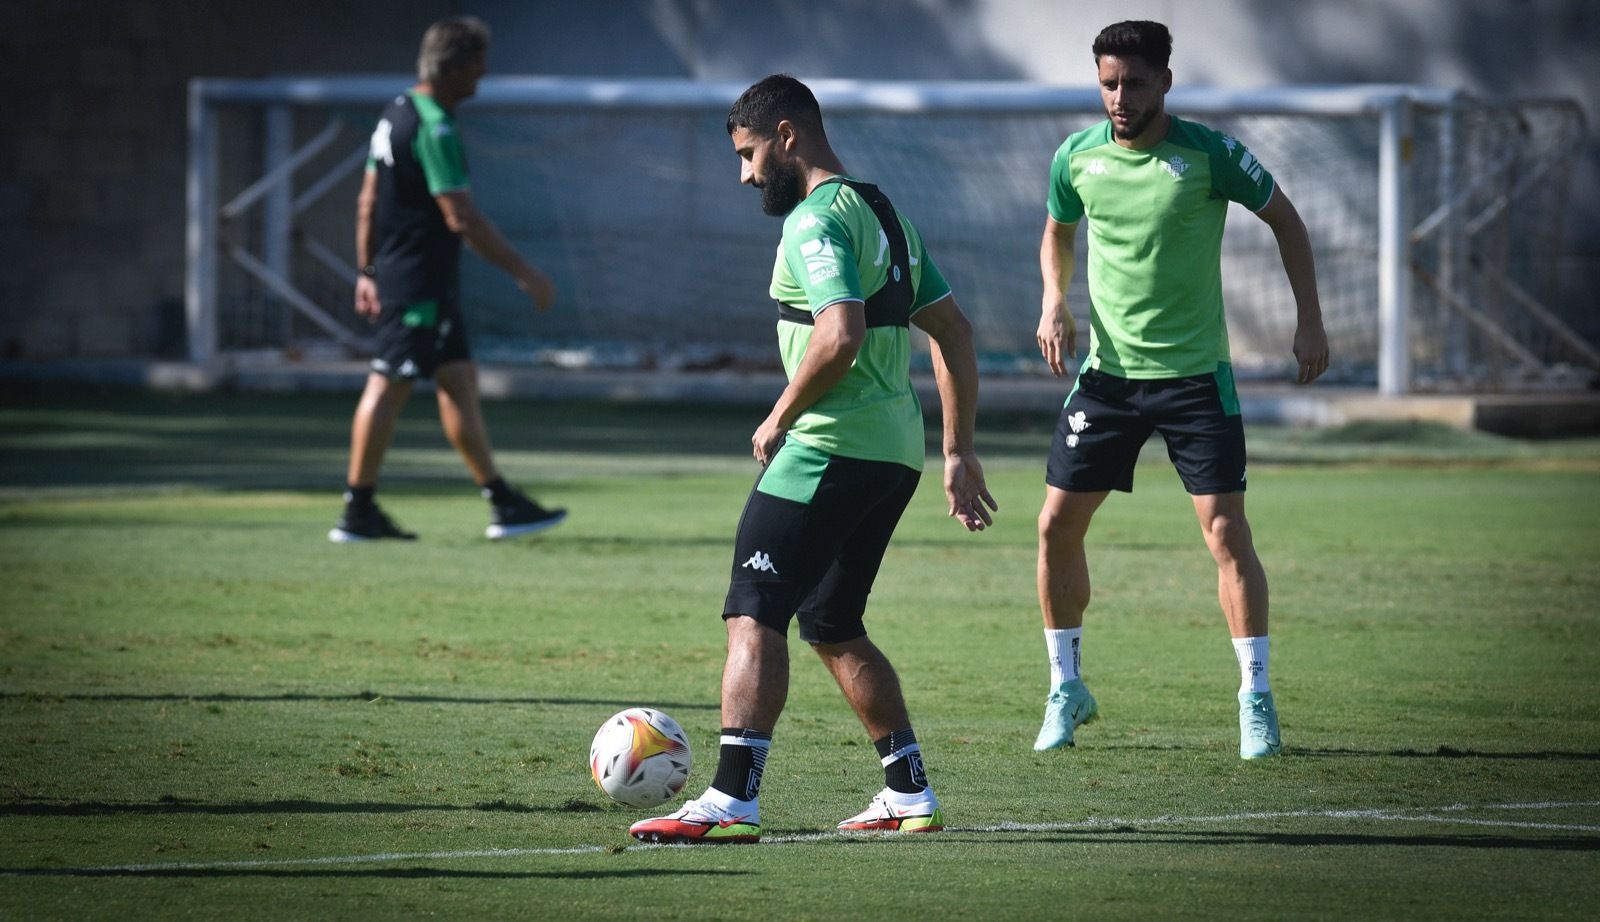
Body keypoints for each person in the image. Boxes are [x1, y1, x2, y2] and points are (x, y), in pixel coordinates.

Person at [629, 75, 998, 844]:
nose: (745, 175)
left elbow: (840, 334)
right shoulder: (883, 213)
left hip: (827, 449)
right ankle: (907, 791)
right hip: (894, 455)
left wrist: (778, 415)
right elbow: (956, 333)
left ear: (788, 136)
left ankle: (732, 799)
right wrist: (958, 451)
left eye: (750, 154)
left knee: (751, 611)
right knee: (831, 621)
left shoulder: (811, 223)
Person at [1031, 21, 1329, 759]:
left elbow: (1286, 221)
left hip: (1196, 380)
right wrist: (1053, 300)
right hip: (1107, 379)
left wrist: (1310, 322)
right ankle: (1066, 686)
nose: (1119, 98)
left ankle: (1255, 698)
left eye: (1133, 82)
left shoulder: (1209, 154)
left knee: (1226, 534)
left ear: (1165, 81)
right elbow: (1057, 230)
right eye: (1108, 83)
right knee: (1053, 527)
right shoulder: (1077, 156)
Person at [330, 16, 566, 543]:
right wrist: (525, 272)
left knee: (458, 382)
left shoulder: (395, 112)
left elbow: (368, 199)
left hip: (408, 276)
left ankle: (502, 501)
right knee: (387, 383)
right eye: (477, 65)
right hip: (417, 282)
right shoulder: (434, 124)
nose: (481, 77)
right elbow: (460, 216)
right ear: (454, 65)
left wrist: (367, 269)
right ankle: (357, 510)